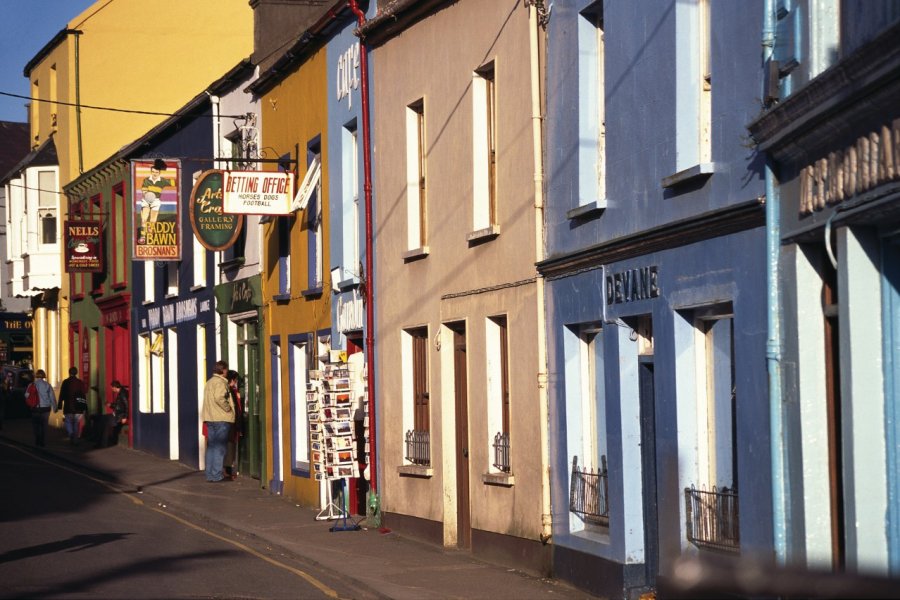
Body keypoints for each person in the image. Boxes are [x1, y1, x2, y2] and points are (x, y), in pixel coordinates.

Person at [202, 361, 235, 482]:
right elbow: (219, 397)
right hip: (221, 418)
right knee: (219, 448)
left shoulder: (209, 382)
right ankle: (216, 475)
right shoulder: (221, 382)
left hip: (210, 418)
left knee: (211, 447)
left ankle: (210, 474)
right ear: (223, 370)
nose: (227, 372)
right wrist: (228, 408)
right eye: (226, 369)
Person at [138, 158, 173, 244]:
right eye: (153, 172)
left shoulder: (162, 181)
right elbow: (144, 190)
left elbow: (174, 182)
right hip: (147, 199)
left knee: (153, 221)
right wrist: (148, 195)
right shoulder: (147, 180)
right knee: (144, 219)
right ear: (151, 172)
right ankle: (142, 237)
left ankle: (150, 237)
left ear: (159, 173)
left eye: (156, 172)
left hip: (156, 200)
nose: (155, 174)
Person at [58, 367, 88, 444]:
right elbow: (84, 393)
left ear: (69, 372)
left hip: (68, 406)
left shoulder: (66, 382)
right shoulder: (80, 382)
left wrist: (59, 405)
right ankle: (75, 439)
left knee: (68, 421)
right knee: (76, 423)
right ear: (76, 373)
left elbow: (62, 394)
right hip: (79, 406)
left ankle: (71, 433)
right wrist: (85, 406)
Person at [28, 369, 57, 447]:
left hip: (35, 408)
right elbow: (52, 397)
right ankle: (42, 441)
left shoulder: (31, 385)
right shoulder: (47, 385)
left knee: (36, 425)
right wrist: (55, 407)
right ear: (44, 376)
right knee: (44, 425)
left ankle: (37, 439)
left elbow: (26, 396)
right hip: (46, 408)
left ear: (36, 376)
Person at [224, 370, 244, 480]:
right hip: (230, 423)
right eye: (236, 380)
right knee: (229, 447)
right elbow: (234, 408)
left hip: (233, 422)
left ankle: (228, 470)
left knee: (230, 447)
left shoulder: (233, 390)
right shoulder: (229, 391)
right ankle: (227, 471)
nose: (236, 382)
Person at [98, 380, 128, 448]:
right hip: (117, 414)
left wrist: (125, 417)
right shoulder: (121, 393)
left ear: (115, 387)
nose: (112, 389)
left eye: (112, 388)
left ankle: (103, 444)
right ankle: (101, 442)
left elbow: (126, 405)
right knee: (102, 420)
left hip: (119, 416)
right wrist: (110, 405)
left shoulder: (122, 394)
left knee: (105, 423)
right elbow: (119, 405)